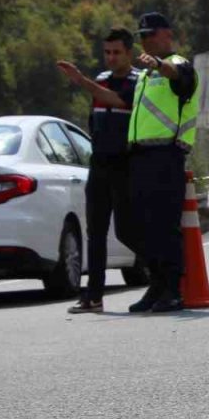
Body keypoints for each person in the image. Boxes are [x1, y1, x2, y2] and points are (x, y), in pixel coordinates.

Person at [56, 28, 142, 313]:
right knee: (95, 231)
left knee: (129, 230)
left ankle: (168, 274)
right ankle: (93, 296)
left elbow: (117, 101)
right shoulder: (102, 80)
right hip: (100, 165)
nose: (111, 58)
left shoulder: (137, 82)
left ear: (129, 53)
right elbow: (96, 117)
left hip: (125, 165)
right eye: (107, 52)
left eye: (117, 52)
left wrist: (81, 81)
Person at [123, 12, 200, 312]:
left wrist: (158, 64)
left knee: (164, 225)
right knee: (142, 227)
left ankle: (172, 288)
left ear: (167, 35)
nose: (145, 40)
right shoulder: (144, 75)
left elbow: (178, 76)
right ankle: (155, 286)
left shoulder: (179, 64)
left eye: (150, 34)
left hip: (166, 155)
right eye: (142, 36)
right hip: (141, 157)